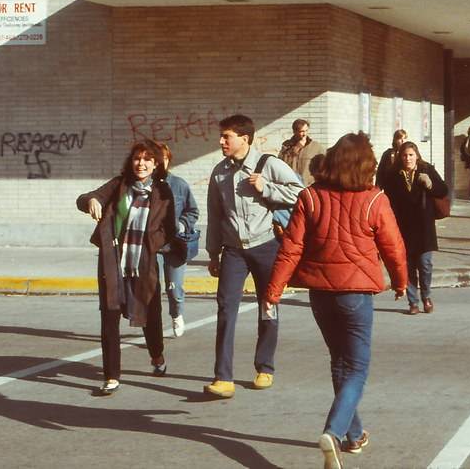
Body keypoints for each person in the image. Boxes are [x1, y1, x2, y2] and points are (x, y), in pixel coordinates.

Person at [263, 132, 407, 469]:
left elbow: (291, 247)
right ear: (365, 164)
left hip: (320, 294)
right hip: (355, 293)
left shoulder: (311, 197)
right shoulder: (374, 200)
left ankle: (352, 435)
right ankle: (333, 431)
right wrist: (401, 281)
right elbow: (393, 246)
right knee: (356, 368)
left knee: (340, 362)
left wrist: (274, 290)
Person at [204, 114, 303, 399]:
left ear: (244, 138)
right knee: (225, 308)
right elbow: (215, 215)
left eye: (227, 137)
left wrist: (267, 188)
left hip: (266, 245)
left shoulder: (269, 164)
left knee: (268, 305)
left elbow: (301, 193)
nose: (222, 142)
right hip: (233, 250)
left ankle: (265, 367)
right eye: (222, 137)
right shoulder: (219, 172)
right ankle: (223, 377)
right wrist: (213, 253)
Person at [76, 141, 180, 396]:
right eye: (137, 158)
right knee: (109, 318)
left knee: (151, 317)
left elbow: (169, 229)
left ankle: (156, 356)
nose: (141, 164)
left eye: (147, 159)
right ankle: (111, 376)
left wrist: (152, 244)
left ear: (156, 164)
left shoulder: (163, 192)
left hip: (144, 265)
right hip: (113, 264)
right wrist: (91, 201)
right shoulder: (118, 185)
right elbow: (85, 198)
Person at [382, 141, 448, 315]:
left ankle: (426, 296)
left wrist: (430, 185)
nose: (408, 158)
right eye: (404, 155)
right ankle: (413, 302)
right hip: (403, 227)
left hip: (424, 226)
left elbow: (443, 190)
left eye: (411, 155)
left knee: (425, 264)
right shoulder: (393, 175)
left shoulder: (426, 170)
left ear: (417, 155)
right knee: (408, 266)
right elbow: (387, 199)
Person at [152, 141, 200, 338]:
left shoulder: (179, 184)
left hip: (175, 245)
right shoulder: (145, 185)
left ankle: (176, 314)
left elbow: (193, 210)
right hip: (152, 246)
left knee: (174, 286)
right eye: (155, 159)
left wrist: (181, 223)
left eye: (162, 158)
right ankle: (152, 325)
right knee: (151, 289)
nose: (159, 163)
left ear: (168, 160)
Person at [278, 118, 325, 186]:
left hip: (309, 187)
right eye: (302, 131)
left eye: (306, 131)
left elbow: (324, 168)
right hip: (290, 186)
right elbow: (280, 165)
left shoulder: (316, 147)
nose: (304, 134)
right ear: (294, 132)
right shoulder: (286, 146)